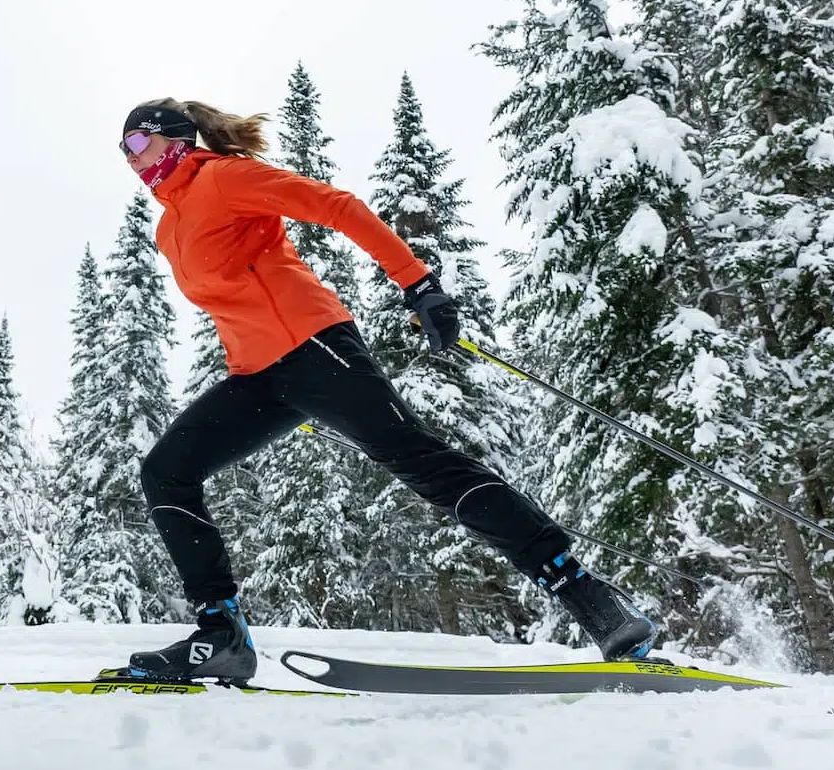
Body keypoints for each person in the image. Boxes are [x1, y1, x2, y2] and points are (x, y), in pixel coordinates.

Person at [117, 98, 657, 684]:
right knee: (167, 471)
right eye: (123, 151)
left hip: (312, 346)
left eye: (138, 143)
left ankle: (588, 595)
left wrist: (418, 283)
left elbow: (335, 206)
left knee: (420, 461)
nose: (130, 159)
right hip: (256, 375)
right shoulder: (168, 228)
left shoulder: (224, 178)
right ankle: (221, 635)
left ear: (174, 138)